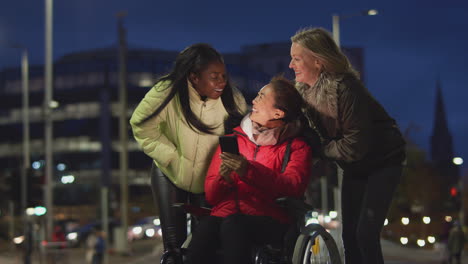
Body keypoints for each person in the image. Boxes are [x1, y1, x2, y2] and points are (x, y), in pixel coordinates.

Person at [289, 28, 406, 264]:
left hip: (383, 161)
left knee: (365, 234)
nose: (291, 65)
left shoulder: (345, 89)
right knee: (349, 236)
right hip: (355, 167)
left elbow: (354, 145)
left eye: (297, 59)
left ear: (318, 62)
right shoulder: (303, 95)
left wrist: (320, 149)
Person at [130, 43, 247, 260]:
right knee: (174, 252)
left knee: (207, 251)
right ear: (194, 77)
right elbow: (141, 126)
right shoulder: (166, 91)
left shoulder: (232, 98)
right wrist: (171, 157)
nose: (222, 82)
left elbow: (244, 138)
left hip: (211, 183)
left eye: (224, 75)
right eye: (214, 76)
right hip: (171, 174)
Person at [188, 76, 313, 264]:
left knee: (234, 225)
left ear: (278, 113)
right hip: (224, 214)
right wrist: (223, 179)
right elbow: (212, 198)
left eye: (261, 96)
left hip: (268, 217)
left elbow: (293, 186)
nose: (254, 100)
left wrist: (248, 170)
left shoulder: (296, 147)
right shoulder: (233, 140)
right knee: (205, 229)